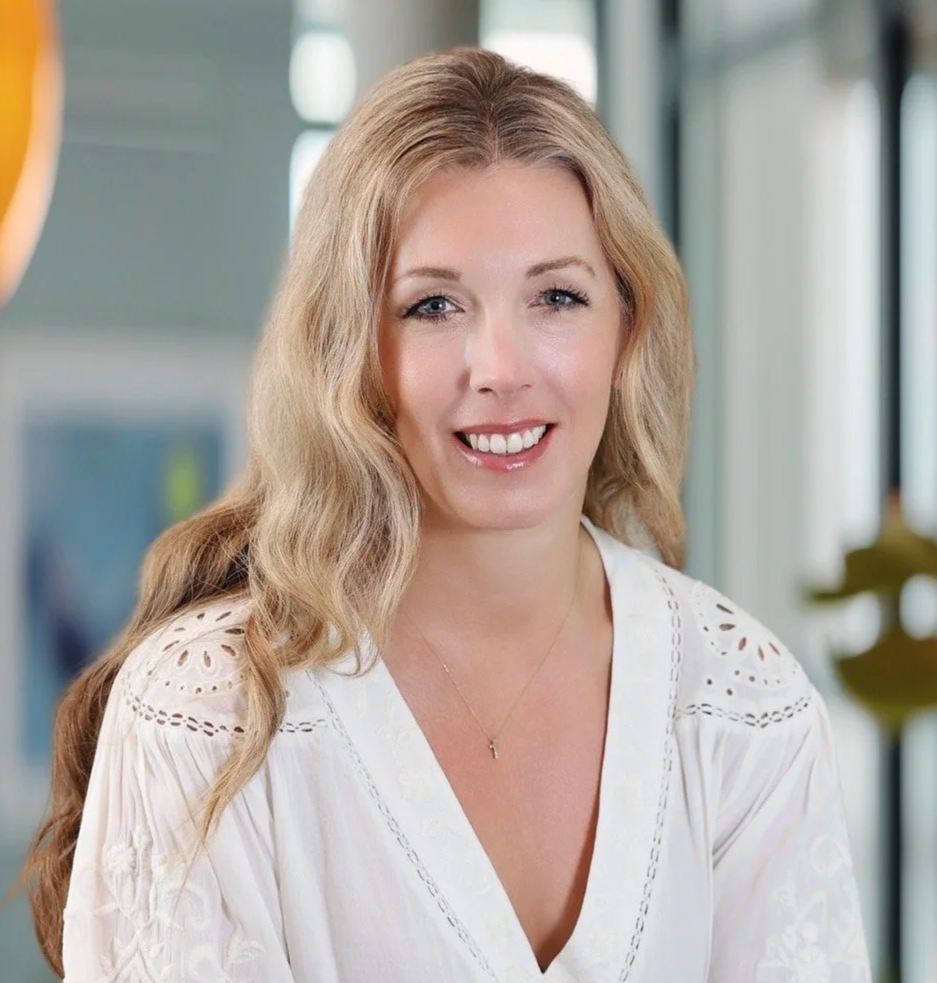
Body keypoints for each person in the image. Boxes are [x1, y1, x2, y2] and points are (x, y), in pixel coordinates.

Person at [20, 46, 872, 983]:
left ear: (626, 327)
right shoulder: (205, 717)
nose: (500, 367)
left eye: (556, 296)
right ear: (349, 352)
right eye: (433, 306)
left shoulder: (745, 713)